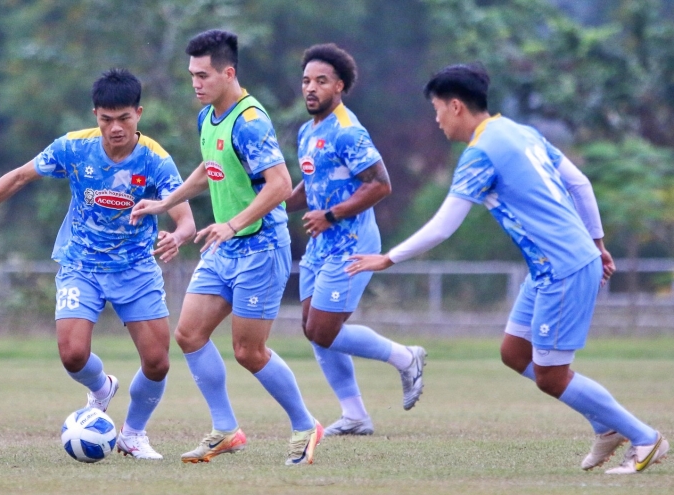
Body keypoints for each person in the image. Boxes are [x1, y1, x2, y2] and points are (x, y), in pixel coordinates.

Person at [347, 62, 668, 474]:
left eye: (437, 109)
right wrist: (597, 243)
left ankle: (644, 437)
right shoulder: (521, 131)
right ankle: (606, 426)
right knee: (515, 352)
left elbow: (444, 226)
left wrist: (389, 258)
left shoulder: (480, 154)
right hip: (553, 265)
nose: (437, 119)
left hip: (563, 267)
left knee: (552, 375)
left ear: (456, 106)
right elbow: (580, 183)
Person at [0, 68, 195, 461]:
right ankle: (102, 388)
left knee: (158, 363)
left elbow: (186, 218)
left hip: (136, 270)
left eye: (124, 118)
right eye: (106, 119)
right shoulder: (74, 147)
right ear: (95, 115)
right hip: (81, 265)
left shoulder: (156, 160)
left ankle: (133, 434)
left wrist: (177, 236)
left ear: (138, 114)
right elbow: (19, 177)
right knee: (73, 354)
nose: (115, 128)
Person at [130, 29, 322, 466]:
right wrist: (165, 202)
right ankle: (226, 429)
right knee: (189, 334)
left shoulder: (250, 121)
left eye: (203, 76)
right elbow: (209, 166)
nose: (195, 83)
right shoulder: (208, 117)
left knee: (248, 352)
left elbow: (281, 185)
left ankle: (305, 425)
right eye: (192, 75)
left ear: (228, 73)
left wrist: (232, 224)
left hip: (260, 247)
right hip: (225, 247)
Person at [285, 43, 426, 436]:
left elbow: (380, 184)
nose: (310, 88)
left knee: (323, 330)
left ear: (340, 86)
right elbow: (310, 186)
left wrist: (330, 215)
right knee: (313, 329)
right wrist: (268, 207)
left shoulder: (348, 131)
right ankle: (355, 415)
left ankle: (405, 357)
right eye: (306, 81)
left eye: (321, 81)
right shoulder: (307, 131)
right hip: (321, 245)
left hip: (352, 245)